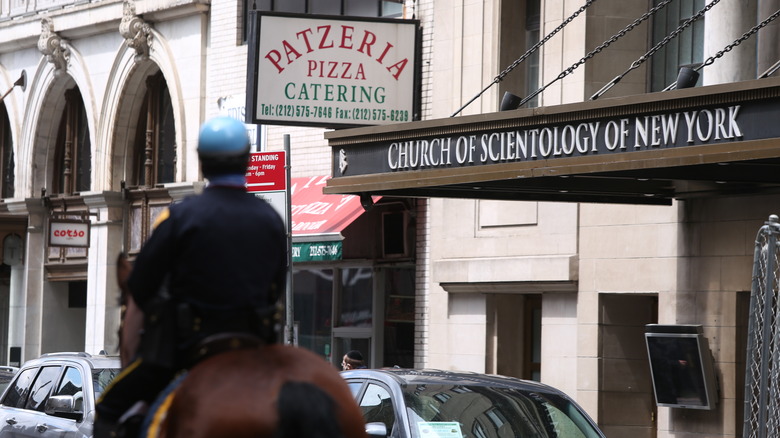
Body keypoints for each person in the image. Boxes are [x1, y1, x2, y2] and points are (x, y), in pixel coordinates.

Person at [94, 116, 287, 438]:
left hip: (188, 346)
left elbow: (141, 286)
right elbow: (276, 288)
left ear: (201, 161)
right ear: (247, 160)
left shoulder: (180, 216)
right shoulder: (270, 218)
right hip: (257, 346)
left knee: (110, 406)